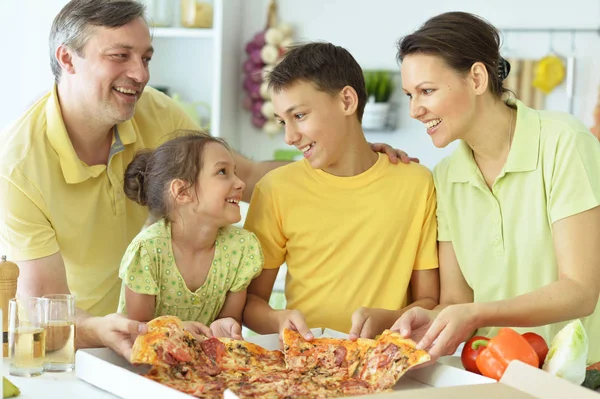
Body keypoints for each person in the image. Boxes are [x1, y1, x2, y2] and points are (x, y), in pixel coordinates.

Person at [0, 0, 410, 359]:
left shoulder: (158, 113)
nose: (140, 73)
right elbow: (42, 303)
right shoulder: (19, 164)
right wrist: (99, 329)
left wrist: (347, 155)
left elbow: (245, 176)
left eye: (146, 57)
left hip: (168, 342)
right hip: (87, 344)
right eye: (120, 55)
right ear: (67, 59)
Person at [390, 11, 600, 364]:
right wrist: (435, 319)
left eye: (426, 91)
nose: (415, 110)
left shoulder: (565, 142)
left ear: (476, 78)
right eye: (410, 94)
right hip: (490, 371)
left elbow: (580, 291)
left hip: (577, 377)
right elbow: (457, 299)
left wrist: (479, 314)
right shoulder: (446, 175)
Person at [242, 42, 440, 341]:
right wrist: (278, 318)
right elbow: (249, 305)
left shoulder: (417, 184)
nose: (290, 136)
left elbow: (429, 300)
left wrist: (387, 319)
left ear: (347, 101)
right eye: (283, 121)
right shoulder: (275, 189)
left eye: (299, 116)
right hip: (305, 364)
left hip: (381, 362)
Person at [117, 131, 263, 339]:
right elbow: (138, 332)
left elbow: (230, 319)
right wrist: (176, 331)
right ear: (182, 191)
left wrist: (225, 326)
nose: (240, 183)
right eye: (223, 172)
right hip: (142, 365)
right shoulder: (147, 251)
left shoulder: (242, 248)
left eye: (235, 172)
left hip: (205, 367)